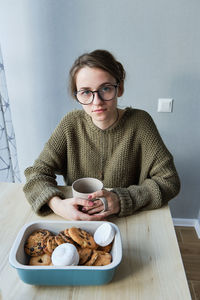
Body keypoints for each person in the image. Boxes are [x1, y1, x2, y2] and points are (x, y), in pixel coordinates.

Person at [23, 49, 180, 221]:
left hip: (128, 219)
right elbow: (37, 173)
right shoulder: (70, 124)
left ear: (119, 88)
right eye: (85, 92)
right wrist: (58, 205)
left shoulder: (140, 123)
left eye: (105, 88)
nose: (96, 101)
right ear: (77, 96)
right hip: (78, 220)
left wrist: (121, 200)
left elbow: (169, 181)